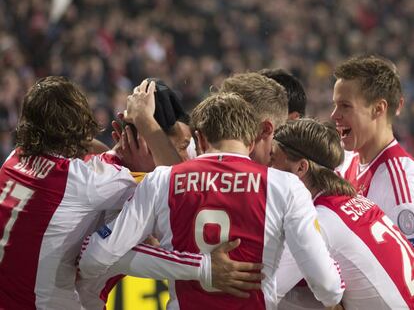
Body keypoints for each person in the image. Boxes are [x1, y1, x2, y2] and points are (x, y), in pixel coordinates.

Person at [0, 76, 263, 310]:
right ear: (142, 142)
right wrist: (145, 123)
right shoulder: (105, 182)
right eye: (182, 147)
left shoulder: (17, 156)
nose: (190, 157)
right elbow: (188, 188)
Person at [79, 92, 344, 309]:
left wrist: (193, 267)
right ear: (251, 142)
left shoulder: (161, 180)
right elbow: (327, 287)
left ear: (200, 139)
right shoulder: (285, 186)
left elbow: (94, 259)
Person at [272, 119, 414, 309]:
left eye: (272, 159)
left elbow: (267, 293)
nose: (266, 168)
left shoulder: (317, 221)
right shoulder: (352, 199)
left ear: (301, 168)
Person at [331, 55, 414, 244]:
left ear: (378, 108)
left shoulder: (402, 189)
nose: (334, 115)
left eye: (345, 106)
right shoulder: (344, 163)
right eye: (335, 105)